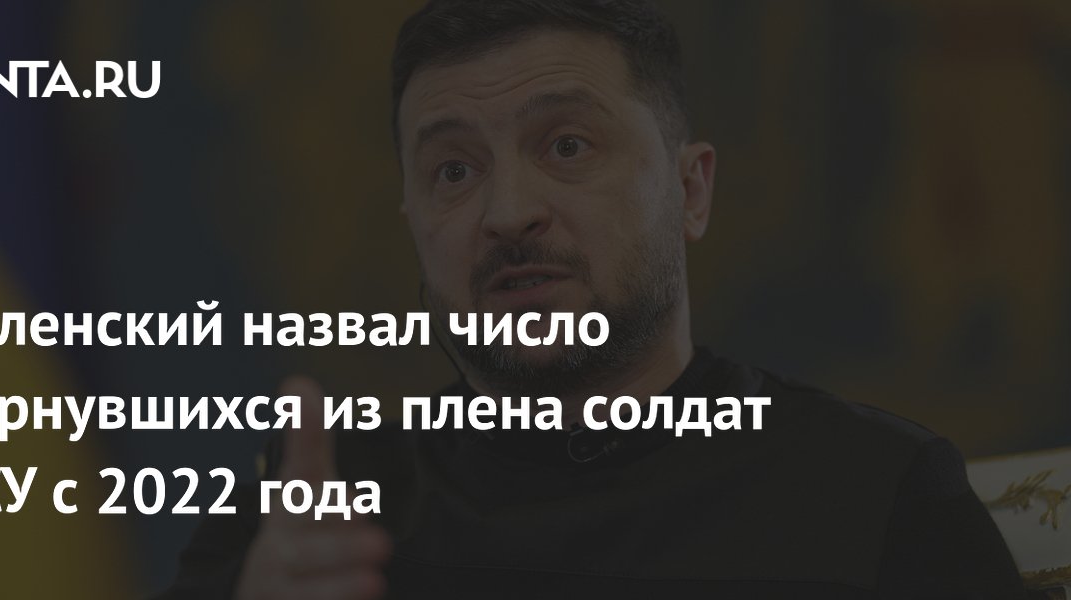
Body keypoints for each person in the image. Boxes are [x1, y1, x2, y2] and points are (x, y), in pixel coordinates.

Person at [158, 1, 1027, 598]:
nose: (507, 212)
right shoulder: (309, 522)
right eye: (453, 170)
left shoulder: (874, 492)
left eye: (567, 145)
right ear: (413, 221)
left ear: (691, 191)